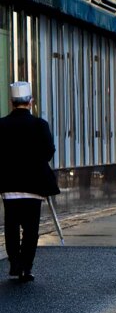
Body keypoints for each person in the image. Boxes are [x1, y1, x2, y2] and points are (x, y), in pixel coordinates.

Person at [0, 82, 59, 283]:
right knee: (31, 228)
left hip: (9, 186)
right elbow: (49, 151)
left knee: (11, 226)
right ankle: (26, 266)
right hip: (34, 185)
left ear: (11, 102)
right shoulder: (40, 125)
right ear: (31, 102)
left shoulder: (1, 125)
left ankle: (15, 263)